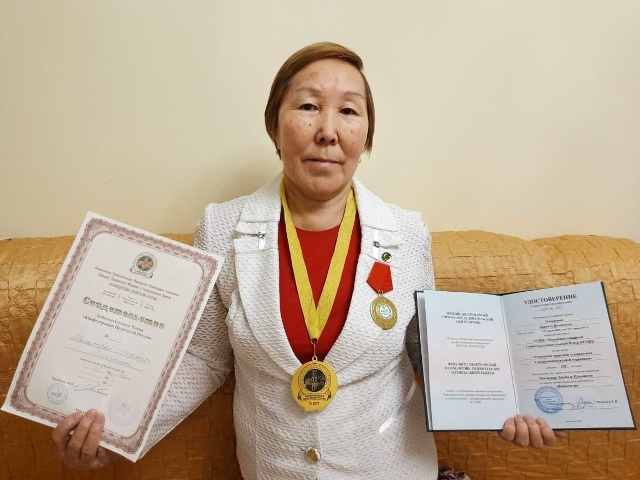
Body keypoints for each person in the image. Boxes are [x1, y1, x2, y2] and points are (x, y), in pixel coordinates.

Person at [52, 41, 564, 479]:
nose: (328, 131)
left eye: (349, 111)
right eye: (308, 106)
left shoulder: (407, 233)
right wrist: (116, 430)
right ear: (274, 126)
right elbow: (205, 358)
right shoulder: (221, 227)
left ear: (366, 135)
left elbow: (425, 352)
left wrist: (504, 405)